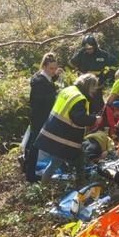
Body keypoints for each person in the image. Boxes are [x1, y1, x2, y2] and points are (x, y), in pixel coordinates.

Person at [35, 73, 103, 184]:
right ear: (88, 86)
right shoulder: (79, 98)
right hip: (63, 138)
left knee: (75, 158)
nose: (94, 91)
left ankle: (79, 183)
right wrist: (94, 119)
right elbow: (79, 119)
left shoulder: (69, 90)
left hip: (52, 132)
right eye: (93, 88)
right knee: (57, 163)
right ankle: (46, 186)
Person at [24, 53, 64, 182]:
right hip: (39, 118)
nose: (53, 71)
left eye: (55, 68)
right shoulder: (40, 82)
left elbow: (50, 81)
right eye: (51, 69)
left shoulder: (43, 77)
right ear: (45, 66)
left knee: (33, 144)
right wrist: (55, 95)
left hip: (40, 117)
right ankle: (30, 175)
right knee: (35, 146)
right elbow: (41, 99)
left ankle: (28, 168)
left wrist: (56, 75)